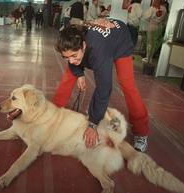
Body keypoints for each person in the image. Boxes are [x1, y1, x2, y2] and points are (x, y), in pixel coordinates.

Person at [53, 21, 149, 152]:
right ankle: (52, 114)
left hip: (120, 41)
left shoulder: (99, 53)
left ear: (84, 45)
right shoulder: (74, 38)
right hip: (102, 39)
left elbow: (103, 89)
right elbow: (72, 57)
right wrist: (79, 73)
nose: (71, 61)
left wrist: (93, 124)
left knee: (128, 85)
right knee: (69, 75)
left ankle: (141, 133)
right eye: (66, 57)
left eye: (74, 56)